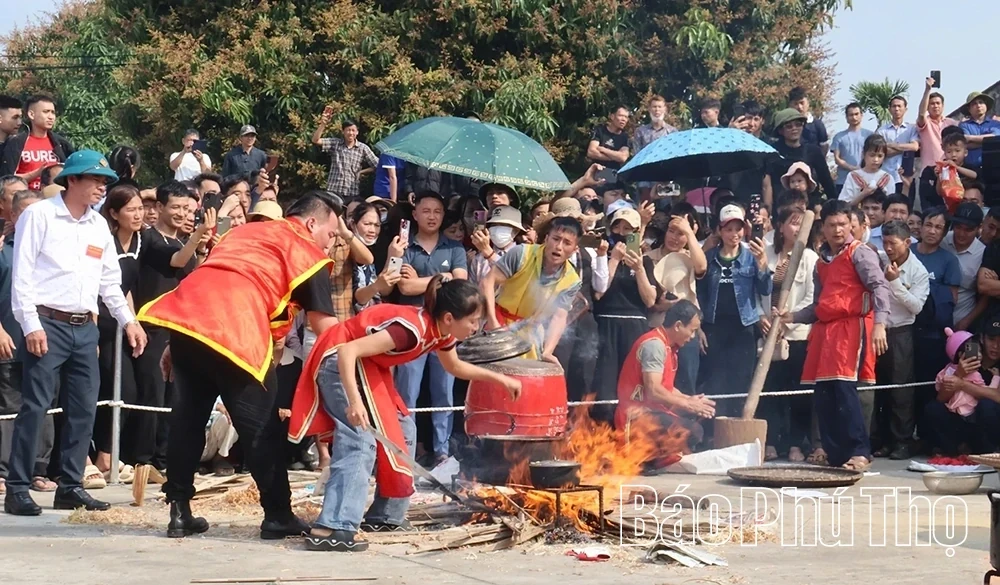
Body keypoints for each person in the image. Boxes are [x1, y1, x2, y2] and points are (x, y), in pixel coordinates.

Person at [137, 191, 341, 539]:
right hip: (236, 327)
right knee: (262, 427)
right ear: (311, 224)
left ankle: (179, 512)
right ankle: (277, 515)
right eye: (332, 234)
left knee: (187, 420)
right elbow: (325, 328)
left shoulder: (241, 232)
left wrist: (175, 340)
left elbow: (211, 279)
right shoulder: (306, 251)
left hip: (190, 320)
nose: (332, 243)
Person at [288, 276, 522, 552]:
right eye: (472, 321)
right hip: (339, 360)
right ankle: (332, 526)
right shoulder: (409, 330)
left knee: (404, 429)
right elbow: (348, 351)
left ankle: (386, 515)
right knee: (360, 438)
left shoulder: (442, 332)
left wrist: (500, 379)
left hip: (368, 366)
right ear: (449, 318)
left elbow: (456, 367)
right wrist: (354, 402)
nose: (476, 327)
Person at [4, 150, 148, 516]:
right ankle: (17, 486)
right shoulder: (39, 215)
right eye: (96, 180)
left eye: (104, 182)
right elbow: (22, 275)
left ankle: (70, 484)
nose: (102, 187)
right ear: (72, 180)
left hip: (85, 326)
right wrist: (30, 324)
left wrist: (128, 319)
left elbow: (109, 281)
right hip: (47, 321)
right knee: (35, 407)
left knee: (84, 407)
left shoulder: (98, 225)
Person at [780, 200, 890, 472]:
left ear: (851, 224)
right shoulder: (821, 262)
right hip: (825, 332)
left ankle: (860, 451)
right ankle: (836, 452)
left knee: (845, 392)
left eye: (843, 224)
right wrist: (791, 316)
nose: (838, 230)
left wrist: (880, 324)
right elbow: (819, 304)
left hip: (851, 328)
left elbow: (879, 286)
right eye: (832, 225)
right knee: (825, 395)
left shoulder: (860, 253)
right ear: (824, 228)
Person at [615, 300, 715, 462]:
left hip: (652, 412)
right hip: (636, 416)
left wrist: (689, 400)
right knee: (692, 431)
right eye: (692, 330)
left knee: (695, 425)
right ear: (677, 326)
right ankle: (643, 459)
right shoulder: (655, 345)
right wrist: (687, 404)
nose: (692, 337)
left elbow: (666, 387)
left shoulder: (669, 347)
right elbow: (654, 391)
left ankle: (653, 458)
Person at [481, 216, 584, 362]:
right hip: (498, 321)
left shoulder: (572, 280)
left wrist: (548, 351)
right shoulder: (522, 253)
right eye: (556, 239)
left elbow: (559, 317)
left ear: (575, 249)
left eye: (567, 243)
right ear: (547, 238)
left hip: (530, 332)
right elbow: (487, 282)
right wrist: (493, 322)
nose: (559, 247)